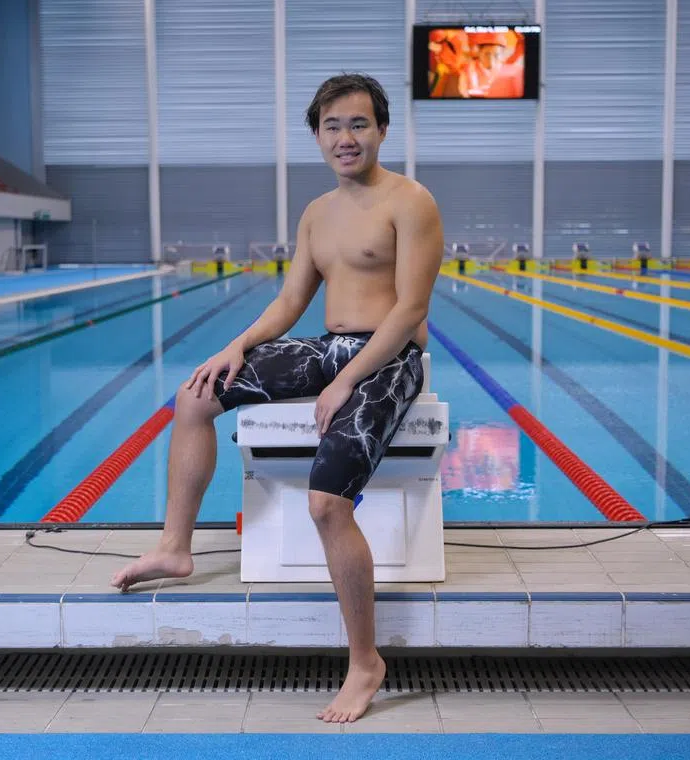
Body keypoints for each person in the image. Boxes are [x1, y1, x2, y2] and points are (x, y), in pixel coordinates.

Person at [111, 73, 445, 723]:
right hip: (331, 347)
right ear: (316, 136)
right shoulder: (318, 213)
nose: (345, 138)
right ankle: (175, 549)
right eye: (332, 126)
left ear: (381, 129)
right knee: (195, 396)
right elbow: (292, 302)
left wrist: (346, 381)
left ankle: (365, 662)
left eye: (357, 124)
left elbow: (410, 310)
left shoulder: (411, 202)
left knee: (326, 504)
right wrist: (234, 347)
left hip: (391, 358)